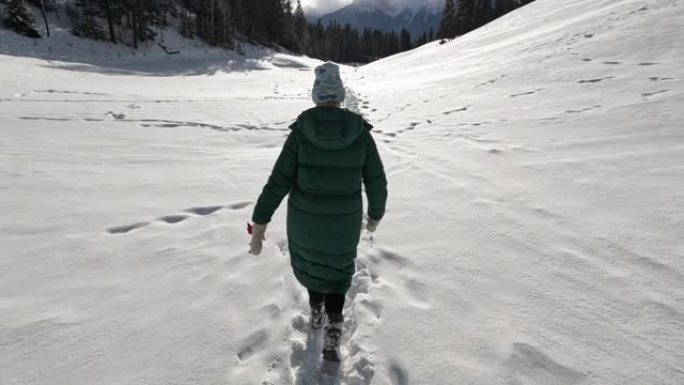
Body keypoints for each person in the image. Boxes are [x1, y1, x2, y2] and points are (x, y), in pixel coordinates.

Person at [248, 62, 388, 362]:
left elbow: (278, 182)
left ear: (316, 96)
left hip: (304, 221)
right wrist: (375, 214)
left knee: (312, 266)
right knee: (338, 271)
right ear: (339, 95)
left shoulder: (301, 132)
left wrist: (260, 223)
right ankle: (335, 321)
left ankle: (315, 311)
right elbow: (376, 180)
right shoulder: (361, 134)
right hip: (345, 222)